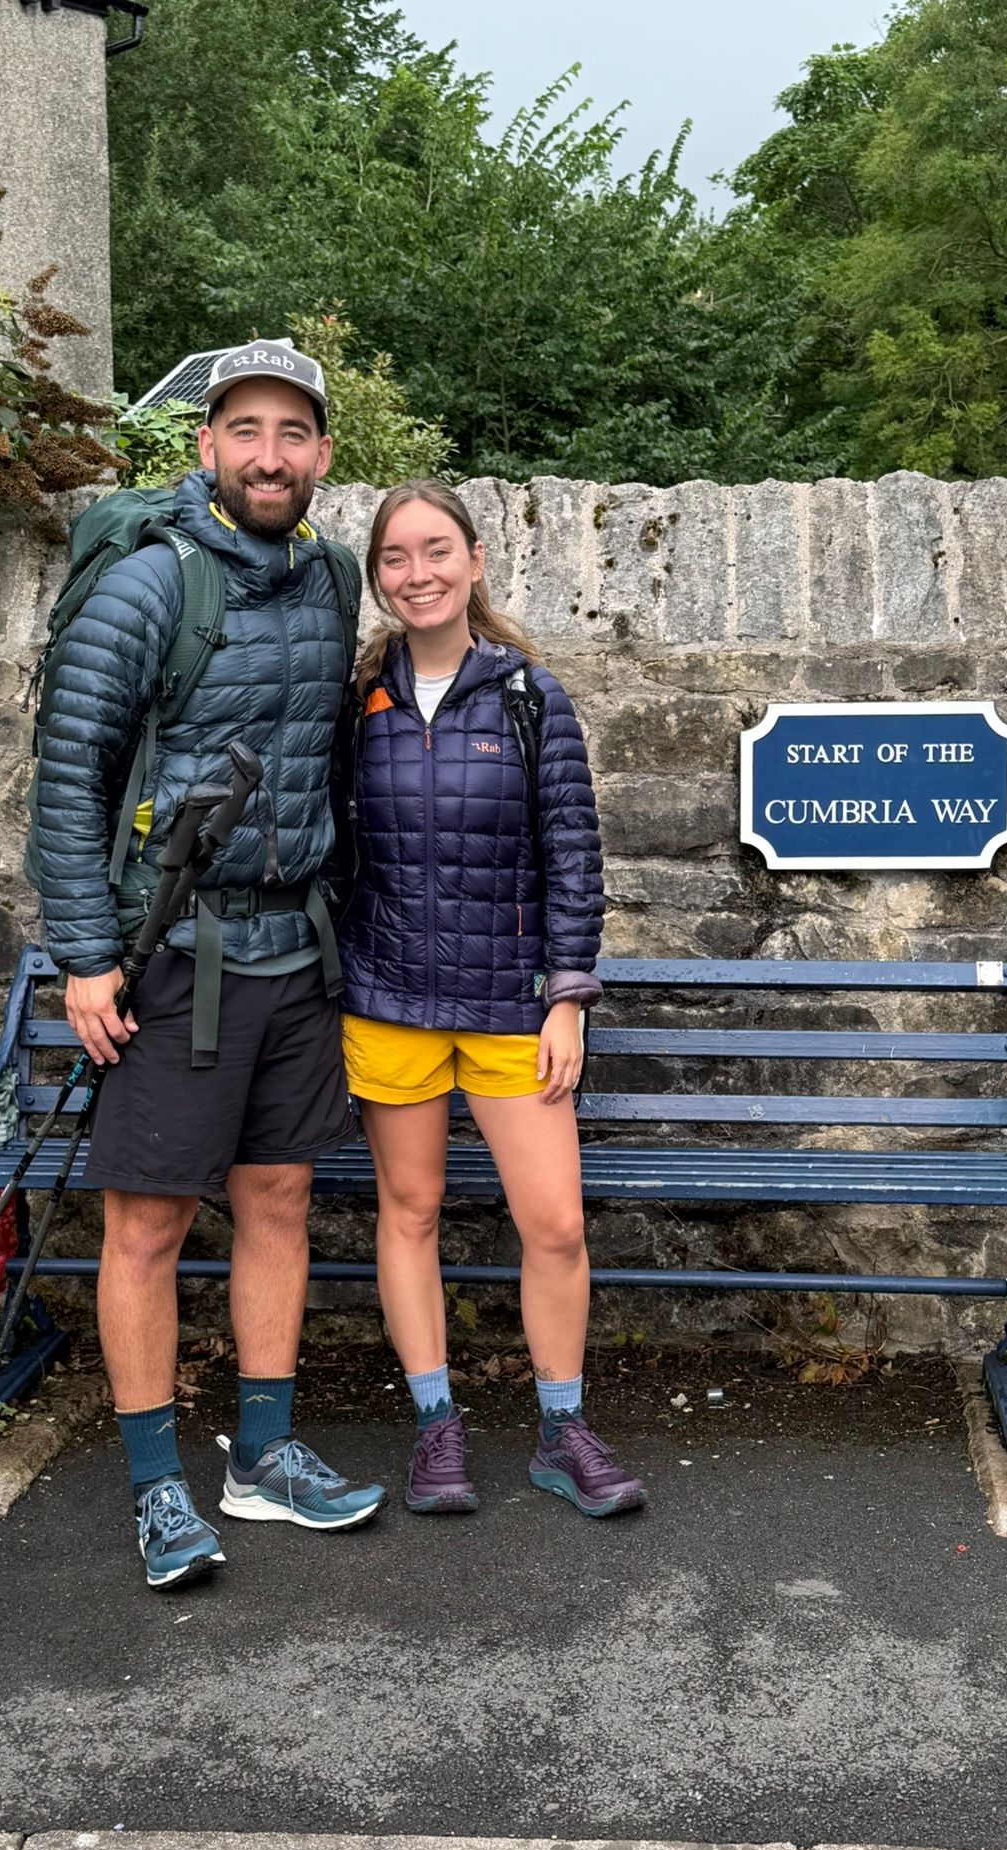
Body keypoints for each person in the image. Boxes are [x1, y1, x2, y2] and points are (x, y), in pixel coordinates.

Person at [35, 339, 385, 1591]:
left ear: (323, 456)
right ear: (206, 447)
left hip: (295, 950)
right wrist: (86, 957)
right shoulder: (149, 587)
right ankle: (155, 1486)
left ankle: (267, 1454)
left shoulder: (333, 577)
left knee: (278, 1199)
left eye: (294, 434)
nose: (271, 455)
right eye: (247, 431)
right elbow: (68, 776)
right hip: (174, 954)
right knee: (148, 1223)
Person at [336, 481, 646, 1519]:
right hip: (388, 1000)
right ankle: (435, 1425)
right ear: (379, 575)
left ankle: (563, 1431)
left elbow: (573, 855)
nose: (416, 573)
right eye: (394, 557)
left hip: (513, 1006)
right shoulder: (358, 698)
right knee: (409, 1210)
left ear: (475, 559)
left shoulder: (528, 697)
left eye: (435, 551)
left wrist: (568, 997)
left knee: (555, 1224)